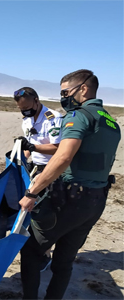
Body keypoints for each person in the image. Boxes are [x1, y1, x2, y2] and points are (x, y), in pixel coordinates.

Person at [19, 69, 121, 299]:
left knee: (31, 251)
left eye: (66, 92)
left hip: (70, 198)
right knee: (64, 260)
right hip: (95, 201)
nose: (64, 97)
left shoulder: (78, 116)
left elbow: (63, 157)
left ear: (83, 89)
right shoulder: (110, 122)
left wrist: (32, 191)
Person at [13, 87, 63, 271]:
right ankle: (36, 248)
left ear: (36, 100)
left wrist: (33, 148)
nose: (25, 111)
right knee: (32, 210)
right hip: (34, 168)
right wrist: (21, 156)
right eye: (21, 108)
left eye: (27, 106)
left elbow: (58, 148)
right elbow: (29, 144)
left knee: (44, 213)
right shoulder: (27, 119)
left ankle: (44, 253)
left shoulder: (53, 118)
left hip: (51, 169)